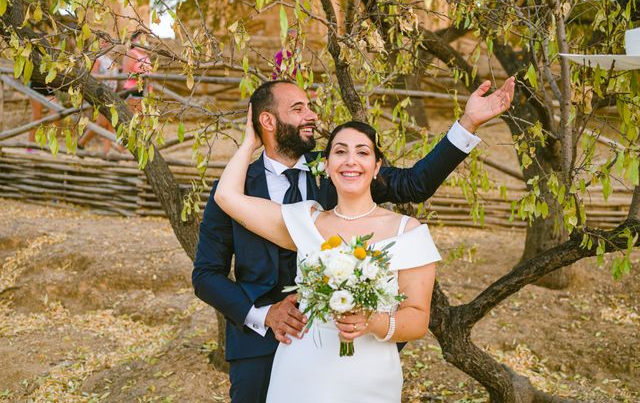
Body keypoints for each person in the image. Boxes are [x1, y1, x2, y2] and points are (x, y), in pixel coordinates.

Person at [192, 77, 515, 403]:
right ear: (267, 121)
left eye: (311, 107)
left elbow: (416, 183)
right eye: (298, 108)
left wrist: (469, 121)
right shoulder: (234, 187)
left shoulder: (340, 168)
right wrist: (263, 315)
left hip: (352, 347)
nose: (312, 116)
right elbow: (206, 275)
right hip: (257, 343)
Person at [215, 114, 439, 402]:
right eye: (340, 151)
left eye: (362, 152)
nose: (350, 160)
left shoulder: (407, 231)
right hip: (301, 371)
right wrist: (250, 143)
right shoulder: (304, 221)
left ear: (376, 166)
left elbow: (418, 319)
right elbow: (227, 197)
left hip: (371, 376)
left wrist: (371, 322)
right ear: (325, 165)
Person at [78, 37, 121, 153]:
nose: (105, 44)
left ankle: (106, 153)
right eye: (102, 42)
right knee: (102, 123)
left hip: (112, 94)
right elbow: (93, 76)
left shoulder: (111, 59)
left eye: (107, 42)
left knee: (111, 124)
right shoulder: (97, 58)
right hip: (101, 94)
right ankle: (81, 143)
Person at [121, 30, 151, 114]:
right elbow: (126, 72)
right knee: (135, 116)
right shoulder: (132, 53)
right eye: (140, 38)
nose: (143, 41)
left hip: (145, 89)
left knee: (142, 117)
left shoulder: (146, 56)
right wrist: (143, 78)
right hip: (134, 88)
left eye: (145, 39)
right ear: (133, 40)